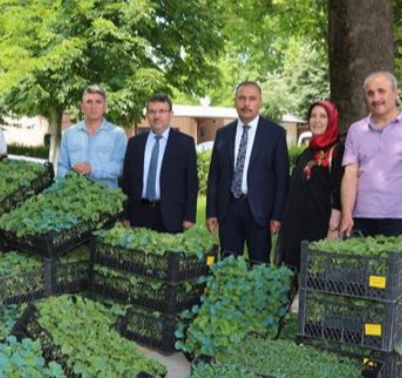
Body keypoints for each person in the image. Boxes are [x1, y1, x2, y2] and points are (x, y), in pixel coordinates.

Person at [339, 71, 402, 237]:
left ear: (396, 93)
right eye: (370, 93)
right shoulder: (356, 130)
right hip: (361, 218)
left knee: (398, 264)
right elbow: (350, 174)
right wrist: (347, 214)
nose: (376, 98)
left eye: (381, 91)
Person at [205, 81, 289, 263]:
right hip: (228, 209)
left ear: (260, 102)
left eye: (252, 99)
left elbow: (282, 179)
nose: (246, 104)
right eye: (242, 98)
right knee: (228, 263)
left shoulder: (275, 134)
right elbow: (214, 176)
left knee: (259, 265)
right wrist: (211, 211)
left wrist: (277, 215)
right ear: (235, 102)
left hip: (260, 212)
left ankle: (258, 293)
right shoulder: (223, 134)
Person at [276, 100, 344, 270]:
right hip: (296, 226)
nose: (317, 120)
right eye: (313, 116)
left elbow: (338, 192)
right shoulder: (308, 151)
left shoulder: (337, 151)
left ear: (332, 120)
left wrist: (333, 228)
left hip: (320, 226)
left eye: (323, 116)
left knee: (316, 276)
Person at [121, 94, 197, 233]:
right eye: (152, 111)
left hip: (172, 215)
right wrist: (125, 213)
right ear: (147, 115)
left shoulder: (185, 144)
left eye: (162, 111)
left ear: (171, 114)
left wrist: (189, 216)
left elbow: (191, 182)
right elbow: (126, 181)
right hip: (139, 214)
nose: (157, 116)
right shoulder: (135, 144)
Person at [57, 85, 127, 189]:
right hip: (74, 199)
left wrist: (92, 169)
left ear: (105, 106)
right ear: (81, 106)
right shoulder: (69, 134)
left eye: (98, 102)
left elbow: (119, 168)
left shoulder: (117, 134)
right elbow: (62, 166)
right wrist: (69, 176)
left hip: (106, 200)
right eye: (89, 102)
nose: (93, 106)